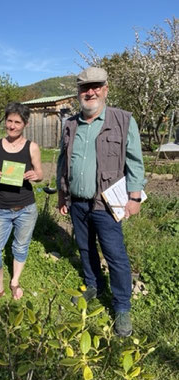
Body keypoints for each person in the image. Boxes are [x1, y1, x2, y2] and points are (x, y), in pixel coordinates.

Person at [57, 67, 145, 337]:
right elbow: (63, 160)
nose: (90, 92)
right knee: (84, 248)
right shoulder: (70, 124)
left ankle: (121, 307)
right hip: (78, 203)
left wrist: (134, 196)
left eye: (96, 86)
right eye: (85, 87)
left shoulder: (123, 120)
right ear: (79, 92)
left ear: (106, 89)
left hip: (107, 204)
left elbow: (134, 162)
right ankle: (93, 284)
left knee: (116, 256)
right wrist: (62, 193)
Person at [0, 102, 43, 304]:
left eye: (17, 122)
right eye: (9, 121)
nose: (12, 126)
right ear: (5, 121)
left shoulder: (32, 147)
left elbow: (40, 173)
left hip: (26, 208)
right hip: (0, 208)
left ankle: (15, 281)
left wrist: (36, 175)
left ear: (25, 124)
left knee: (20, 247)